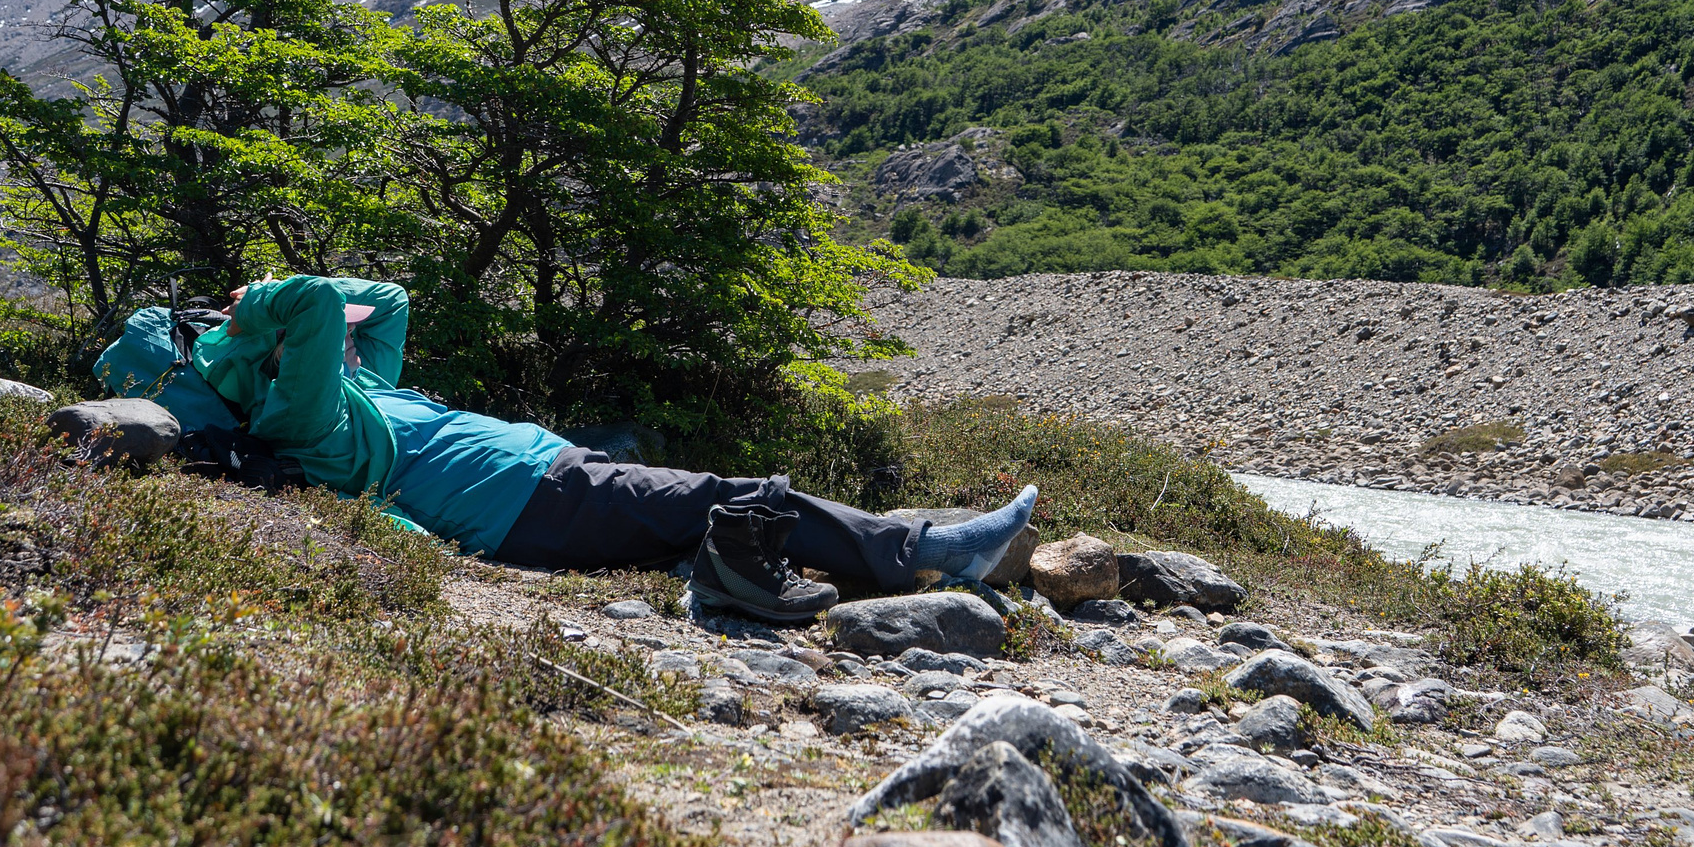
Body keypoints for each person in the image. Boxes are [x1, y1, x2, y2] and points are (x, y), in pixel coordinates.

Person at [95, 274, 1038, 623]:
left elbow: (385, 301)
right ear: (247, 359)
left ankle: (742, 567)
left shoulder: (345, 390)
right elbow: (305, 302)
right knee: (735, 490)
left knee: (696, 510)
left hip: (540, 486)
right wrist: (248, 307)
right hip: (533, 496)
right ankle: (926, 551)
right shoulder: (299, 421)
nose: (343, 342)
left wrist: (255, 333)